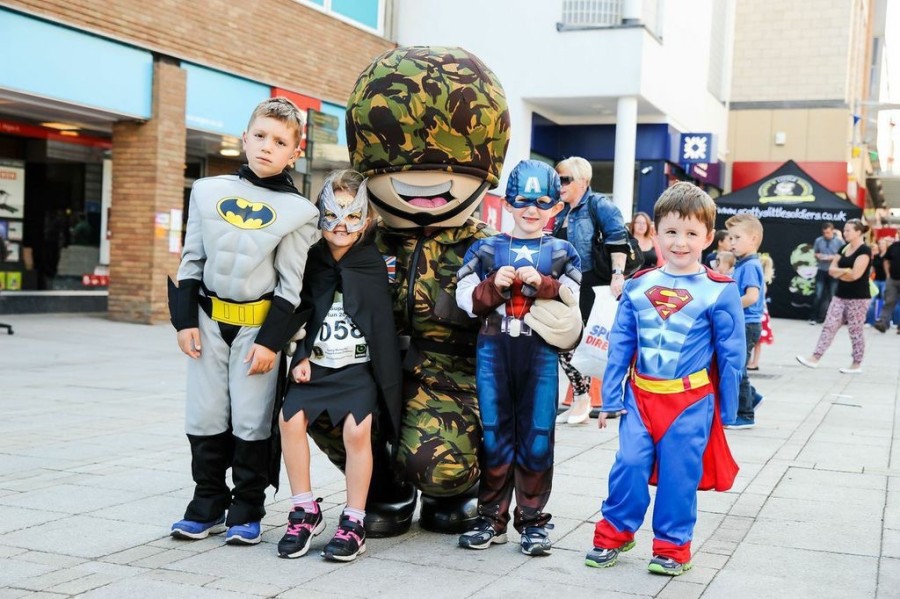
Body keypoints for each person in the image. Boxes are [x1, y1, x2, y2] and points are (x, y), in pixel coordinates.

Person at [168, 97, 319, 545]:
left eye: (280, 142)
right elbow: (191, 259)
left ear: (295, 152)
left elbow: (291, 284)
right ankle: (207, 502)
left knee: (252, 421)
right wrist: (184, 322)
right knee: (204, 414)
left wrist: (271, 342)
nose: (267, 146)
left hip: (257, 328)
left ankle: (248, 506)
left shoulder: (300, 212)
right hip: (207, 321)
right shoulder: (206, 191)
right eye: (260, 136)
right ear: (245, 138)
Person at [584, 182, 744, 576]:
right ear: (655, 232)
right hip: (640, 398)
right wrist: (610, 397)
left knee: (678, 476)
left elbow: (732, 356)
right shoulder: (638, 286)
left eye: (691, 233)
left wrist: (727, 411)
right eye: (671, 231)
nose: (680, 242)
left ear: (708, 237)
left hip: (690, 403)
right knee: (628, 465)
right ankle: (614, 534)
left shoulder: (720, 291)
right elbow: (621, 345)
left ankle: (673, 547)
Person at [455, 160, 581, 556]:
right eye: (523, 200)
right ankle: (490, 518)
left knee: (538, 435)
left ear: (556, 207)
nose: (532, 209)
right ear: (507, 203)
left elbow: (574, 299)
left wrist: (544, 284)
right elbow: (464, 297)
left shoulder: (563, 251)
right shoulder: (486, 247)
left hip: (540, 351)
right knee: (494, 435)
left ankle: (532, 520)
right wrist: (493, 285)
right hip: (494, 349)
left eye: (542, 202)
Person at [277, 170, 401, 562]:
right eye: (332, 215)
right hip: (316, 366)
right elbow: (300, 311)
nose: (341, 225)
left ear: (367, 219)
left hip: (357, 369)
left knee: (357, 431)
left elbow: (383, 324)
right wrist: (299, 356)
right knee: (288, 420)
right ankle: (304, 509)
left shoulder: (375, 263)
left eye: (352, 216)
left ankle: (354, 520)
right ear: (319, 214)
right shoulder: (311, 259)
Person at [552, 156, 629, 425]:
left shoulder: (599, 205)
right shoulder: (559, 210)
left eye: (565, 179)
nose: (560, 185)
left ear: (583, 180)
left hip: (591, 283)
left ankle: (585, 399)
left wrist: (618, 274)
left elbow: (618, 241)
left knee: (579, 342)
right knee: (564, 342)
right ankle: (580, 398)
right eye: (557, 179)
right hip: (564, 284)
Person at [797, 219, 874, 371]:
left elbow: (855, 275)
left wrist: (842, 272)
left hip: (858, 297)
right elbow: (831, 270)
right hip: (840, 295)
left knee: (855, 330)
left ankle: (856, 363)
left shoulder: (864, 250)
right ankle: (815, 358)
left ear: (858, 232)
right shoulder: (844, 248)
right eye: (844, 230)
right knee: (829, 326)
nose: (845, 233)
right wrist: (845, 271)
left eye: (848, 230)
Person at [723, 213, 765, 429]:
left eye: (737, 238)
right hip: (744, 323)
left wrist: (728, 306)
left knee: (738, 369)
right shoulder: (743, 264)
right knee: (737, 367)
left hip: (747, 324)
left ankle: (745, 414)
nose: (732, 242)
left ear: (754, 239)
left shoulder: (749, 266)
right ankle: (753, 397)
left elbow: (752, 296)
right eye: (730, 238)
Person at [809, 222, 843, 324]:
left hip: (834, 271)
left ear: (832, 231)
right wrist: (818, 256)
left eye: (828, 232)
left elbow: (843, 255)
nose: (826, 235)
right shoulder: (818, 240)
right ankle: (813, 318)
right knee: (818, 294)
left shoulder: (839, 242)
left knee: (833, 296)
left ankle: (833, 319)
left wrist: (832, 257)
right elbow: (815, 253)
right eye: (824, 233)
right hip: (821, 269)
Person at [747, 254, 775, 371]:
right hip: (762, 313)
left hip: (757, 314)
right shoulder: (763, 282)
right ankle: (754, 362)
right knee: (757, 341)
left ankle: (752, 362)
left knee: (753, 341)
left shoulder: (758, 282)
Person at [874, 234, 900, 334]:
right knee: (889, 301)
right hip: (892, 279)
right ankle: (883, 323)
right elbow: (886, 260)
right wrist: (888, 274)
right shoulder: (893, 246)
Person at [865, 239, 888, 325]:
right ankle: (870, 321)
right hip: (876, 280)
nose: (881, 245)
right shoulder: (876, 256)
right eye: (880, 244)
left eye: (883, 244)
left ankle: (884, 321)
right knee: (872, 301)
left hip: (885, 281)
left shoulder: (889, 256)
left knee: (886, 302)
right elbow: (872, 268)